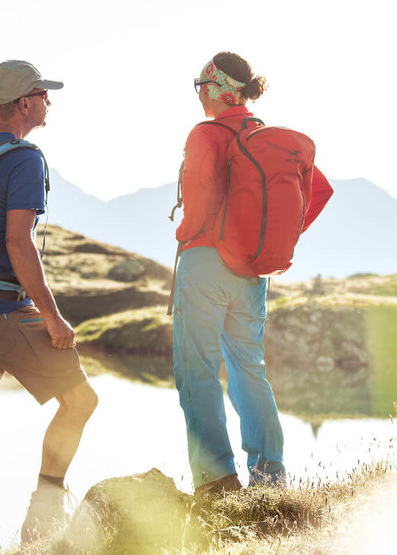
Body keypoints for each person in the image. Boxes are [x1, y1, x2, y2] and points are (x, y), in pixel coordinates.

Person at [0, 60, 98, 554]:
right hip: (0, 309)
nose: (50, 102)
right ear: (25, 103)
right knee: (80, 400)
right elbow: (18, 242)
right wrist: (51, 315)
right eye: (44, 94)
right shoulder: (24, 157)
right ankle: (41, 517)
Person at [173, 52, 333, 496]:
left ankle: (216, 480)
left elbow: (199, 197)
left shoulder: (206, 133)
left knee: (197, 370)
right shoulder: (268, 139)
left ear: (219, 88)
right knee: (249, 368)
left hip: (205, 262)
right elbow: (319, 191)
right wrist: (277, 234)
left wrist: (185, 232)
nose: (199, 95)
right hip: (251, 271)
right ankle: (270, 475)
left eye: (200, 86)